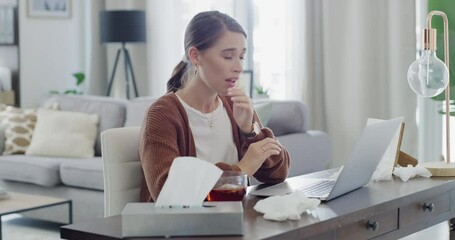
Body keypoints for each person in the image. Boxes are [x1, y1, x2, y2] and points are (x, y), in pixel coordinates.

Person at [139, 10, 290, 202]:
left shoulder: (234, 104)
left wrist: (250, 133)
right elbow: (166, 191)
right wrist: (241, 170)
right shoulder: (162, 114)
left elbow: (278, 174)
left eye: (241, 57)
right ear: (195, 56)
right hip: (182, 229)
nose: (239, 67)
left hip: (238, 224)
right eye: (228, 57)